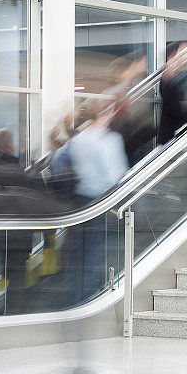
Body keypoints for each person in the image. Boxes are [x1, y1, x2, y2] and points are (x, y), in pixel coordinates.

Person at [67, 100, 130, 300]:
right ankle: (89, 297)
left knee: (81, 253)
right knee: (95, 251)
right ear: (106, 113)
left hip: (80, 200)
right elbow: (115, 174)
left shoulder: (78, 139)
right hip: (101, 200)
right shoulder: (109, 140)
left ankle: (77, 296)